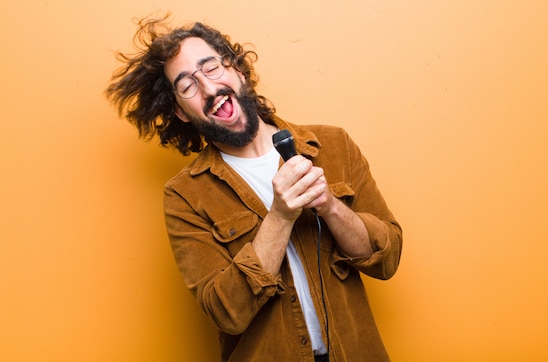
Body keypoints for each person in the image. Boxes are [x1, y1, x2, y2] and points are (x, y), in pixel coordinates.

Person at [106, 14, 402, 362]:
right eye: (187, 85)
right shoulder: (184, 195)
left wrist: (331, 206)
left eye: (211, 68)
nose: (208, 87)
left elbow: (388, 259)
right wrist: (280, 215)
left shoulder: (334, 145)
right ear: (181, 112)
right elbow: (226, 313)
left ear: (238, 71)